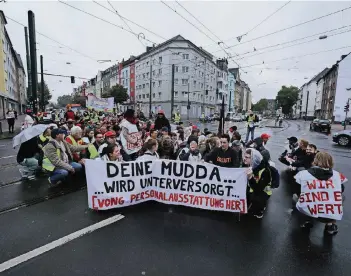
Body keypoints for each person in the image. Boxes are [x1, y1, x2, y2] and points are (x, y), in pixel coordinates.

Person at [294, 151, 347, 235]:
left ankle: (308, 220)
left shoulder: (303, 174)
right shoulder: (337, 175)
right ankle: (330, 225)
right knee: (341, 197)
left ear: (315, 160)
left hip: (309, 207)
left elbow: (297, 189)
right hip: (327, 208)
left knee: (298, 197)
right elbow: (341, 189)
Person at [244, 148, 272, 218]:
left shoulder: (265, 171)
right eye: (244, 156)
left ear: (253, 159)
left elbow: (258, 189)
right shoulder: (251, 165)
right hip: (252, 189)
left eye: (247, 157)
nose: (244, 159)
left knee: (255, 202)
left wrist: (250, 177)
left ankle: (260, 211)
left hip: (262, 193)